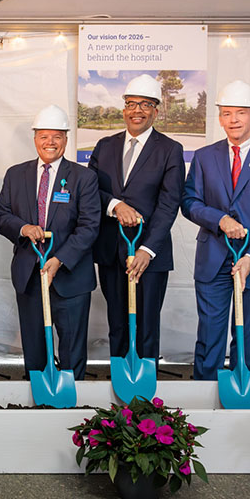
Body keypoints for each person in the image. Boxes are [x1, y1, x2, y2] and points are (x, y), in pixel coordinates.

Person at [181, 80, 250, 380]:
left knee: (248, 337)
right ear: (219, 117)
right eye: (227, 113)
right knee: (210, 335)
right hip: (214, 258)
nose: (234, 120)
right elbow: (189, 201)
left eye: (240, 113)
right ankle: (204, 398)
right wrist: (220, 219)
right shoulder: (204, 157)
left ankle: (238, 396)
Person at [0, 105, 100, 380]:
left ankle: (73, 404)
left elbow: (89, 227)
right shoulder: (16, 175)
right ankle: (37, 402)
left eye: (57, 136)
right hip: (30, 273)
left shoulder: (84, 177)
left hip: (70, 277)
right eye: (44, 136)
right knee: (35, 348)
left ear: (66, 139)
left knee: (72, 348)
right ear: (35, 138)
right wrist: (23, 227)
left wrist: (60, 259)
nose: (50, 142)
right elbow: (0, 215)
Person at [87, 74, 185, 366]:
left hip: (149, 255)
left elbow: (169, 204)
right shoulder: (104, 146)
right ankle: (120, 390)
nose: (137, 110)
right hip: (110, 250)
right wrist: (116, 205)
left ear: (156, 111)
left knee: (146, 325)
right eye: (131, 104)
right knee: (116, 322)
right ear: (124, 109)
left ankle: (145, 395)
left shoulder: (170, 150)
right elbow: (90, 191)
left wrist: (147, 250)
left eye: (145, 104)